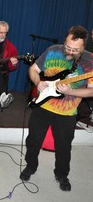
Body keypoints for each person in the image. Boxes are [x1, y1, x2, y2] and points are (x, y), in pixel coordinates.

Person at [20, 26, 93, 191]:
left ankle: (61, 174)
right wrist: (38, 82)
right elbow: (33, 69)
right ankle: (30, 166)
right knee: (33, 140)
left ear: (83, 47)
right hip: (42, 106)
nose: (69, 51)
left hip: (67, 113)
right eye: (67, 47)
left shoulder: (90, 61)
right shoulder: (53, 50)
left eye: (75, 49)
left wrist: (71, 91)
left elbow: (91, 90)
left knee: (64, 147)